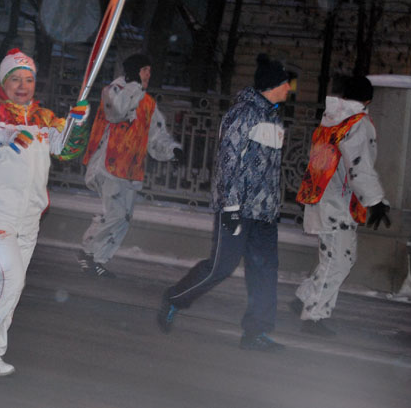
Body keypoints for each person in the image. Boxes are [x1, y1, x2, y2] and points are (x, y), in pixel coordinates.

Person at [0, 49, 89, 377]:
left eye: (28, 79)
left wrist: (78, 125)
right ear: (4, 81)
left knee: (11, 286)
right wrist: (0, 134)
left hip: (29, 215)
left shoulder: (43, 117)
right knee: (8, 279)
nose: (22, 85)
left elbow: (67, 150)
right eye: (15, 79)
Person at [157, 53, 293, 353]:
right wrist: (230, 208)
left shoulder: (273, 117)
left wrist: (273, 207)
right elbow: (227, 164)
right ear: (273, 85)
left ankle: (256, 332)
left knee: (265, 271)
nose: (289, 89)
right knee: (220, 267)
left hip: (264, 213)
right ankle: (174, 298)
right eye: (286, 83)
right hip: (238, 209)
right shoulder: (242, 114)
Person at [292, 76, 390, 336]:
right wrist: (376, 201)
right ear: (368, 100)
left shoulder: (332, 118)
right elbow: (358, 166)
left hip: (322, 196)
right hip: (337, 203)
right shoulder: (357, 123)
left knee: (336, 259)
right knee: (338, 262)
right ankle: (313, 316)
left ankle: (304, 298)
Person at [76, 53, 182, 278]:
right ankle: (87, 252)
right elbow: (116, 113)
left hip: (131, 169)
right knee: (114, 214)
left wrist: (172, 151)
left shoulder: (148, 103)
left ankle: (97, 259)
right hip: (109, 164)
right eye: (144, 70)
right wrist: (133, 86)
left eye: (149, 71)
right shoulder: (113, 91)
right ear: (134, 71)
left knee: (123, 218)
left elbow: (156, 136)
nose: (148, 75)